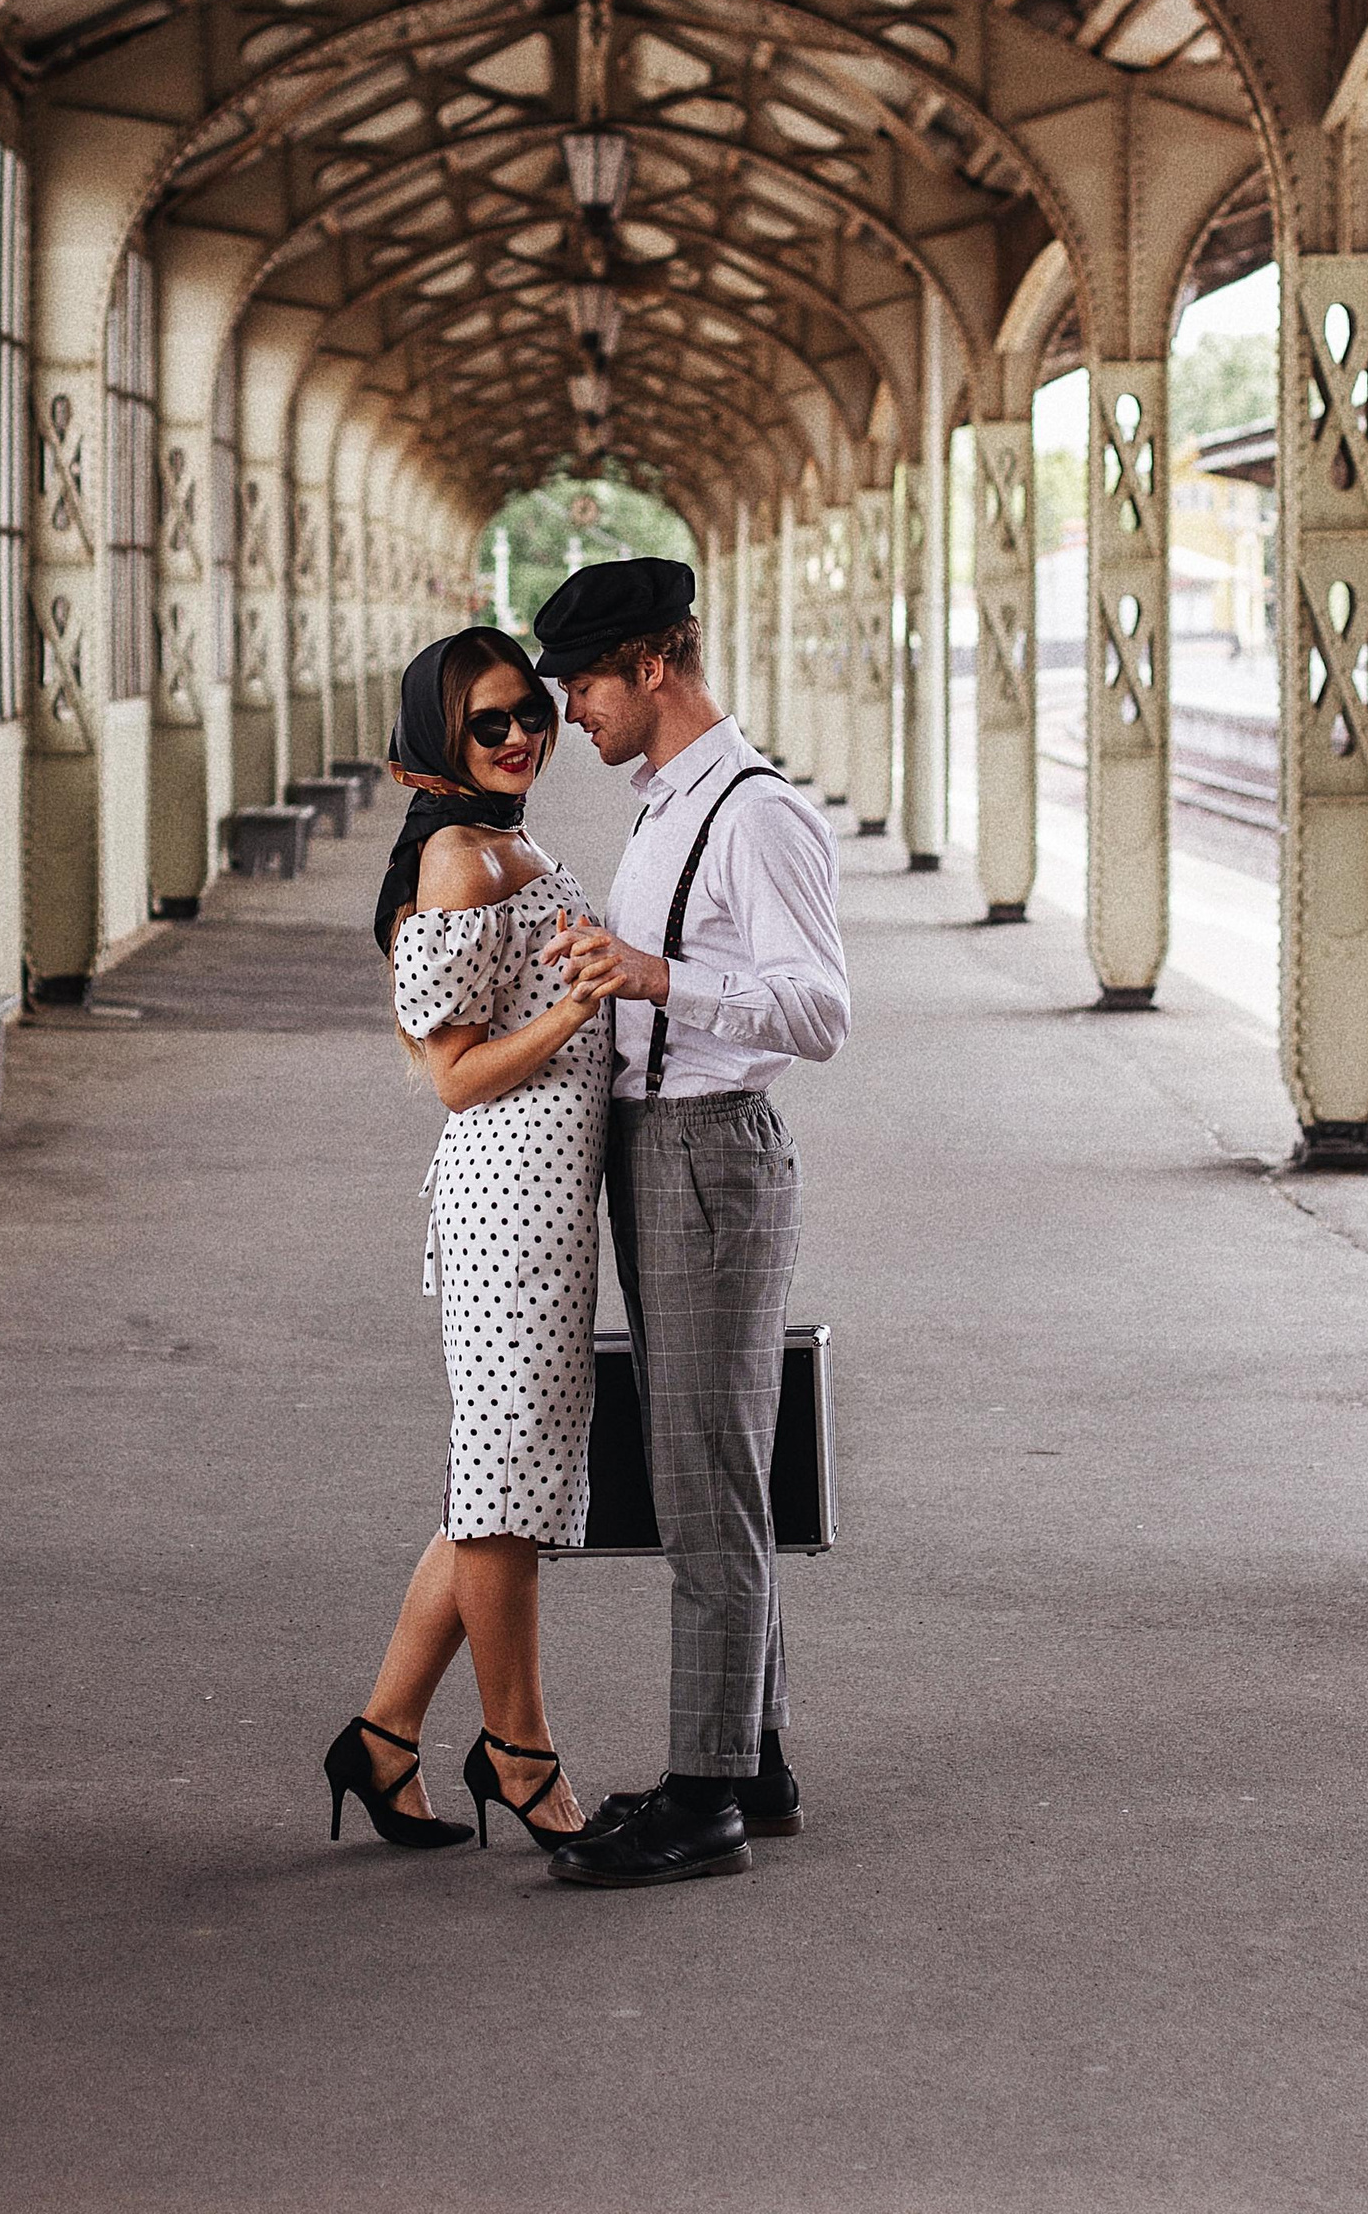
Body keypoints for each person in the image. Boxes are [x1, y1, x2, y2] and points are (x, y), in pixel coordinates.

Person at [535, 556, 850, 1890]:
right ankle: (754, 1754)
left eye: (586, 684)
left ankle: (709, 1789)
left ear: (656, 665)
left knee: (703, 1476)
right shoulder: (670, 807)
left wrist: (659, 977)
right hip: (657, 1150)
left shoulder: (756, 814)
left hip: (710, 1157)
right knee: (706, 1460)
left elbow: (819, 1011)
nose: (571, 714)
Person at [323, 626, 611, 1856]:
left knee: (494, 1488)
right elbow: (453, 1076)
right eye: (488, 723)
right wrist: (583, 1006)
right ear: (441, 738)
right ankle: (521, 1751)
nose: (517, 738)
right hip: (508, 1208)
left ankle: (383, 1740)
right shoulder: (454, 859)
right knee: (505, 1501)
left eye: (528, 714)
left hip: (545, 1204)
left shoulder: (507, 840)